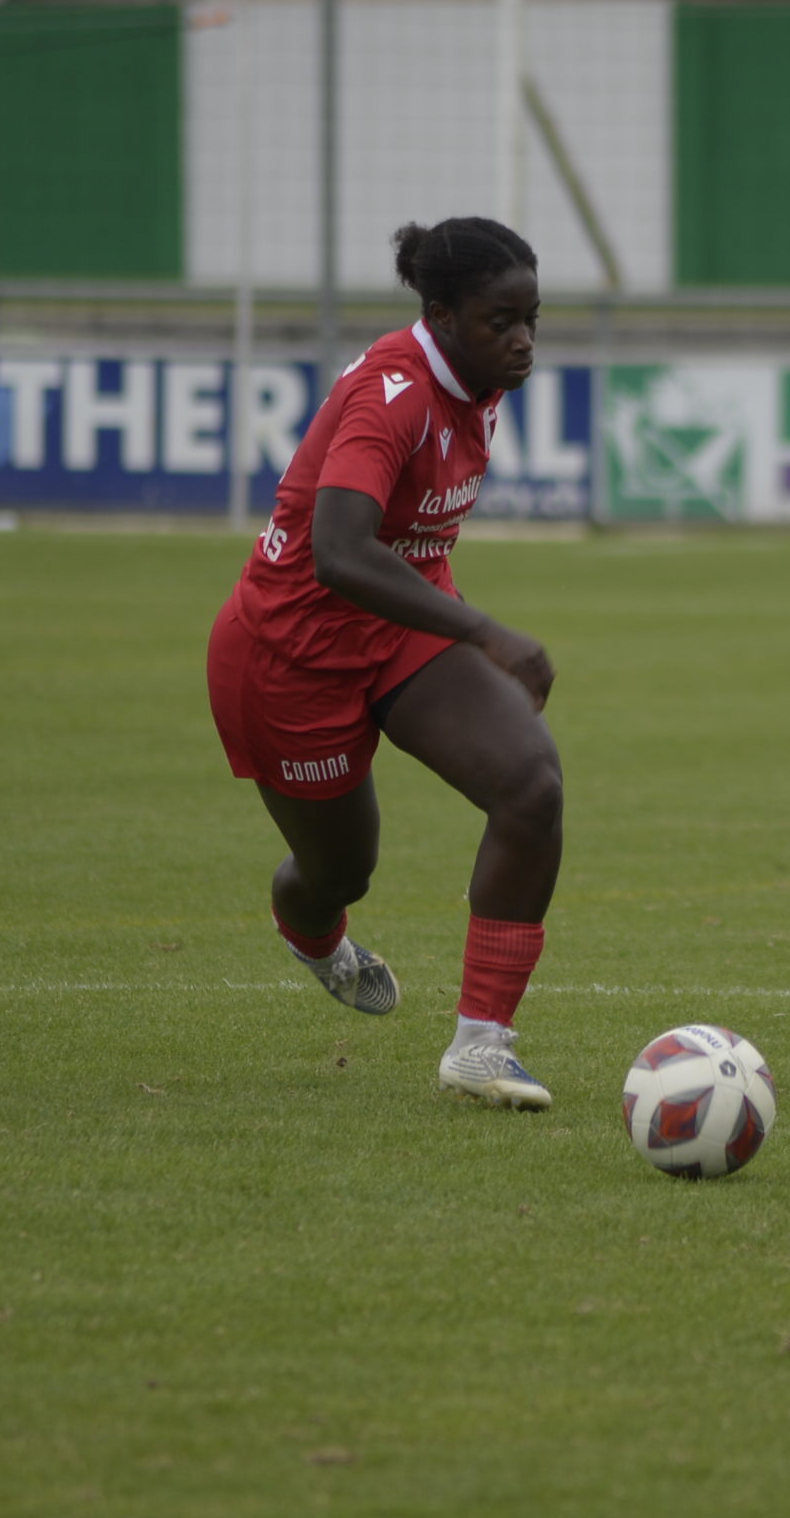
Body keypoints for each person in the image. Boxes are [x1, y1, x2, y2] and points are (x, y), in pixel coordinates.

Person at [206, 216, 564, 1109]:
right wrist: (484, 629)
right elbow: (339, 550)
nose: (522, 341)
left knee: (530, 785)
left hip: (400, 630)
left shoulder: (477, 374)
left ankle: (482, 1045)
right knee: (340, 870)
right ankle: (313, 931)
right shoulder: (392, 395)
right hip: (292, 652)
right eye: (500, 321)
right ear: (439, 316)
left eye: (532, 318)